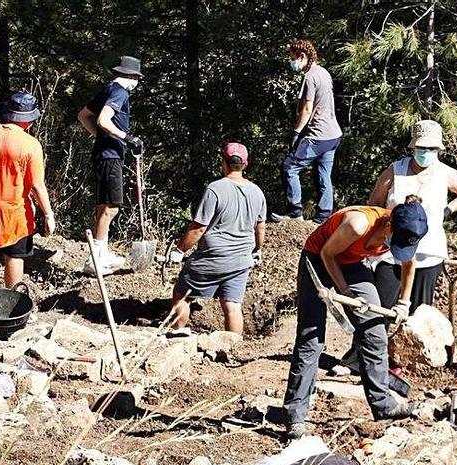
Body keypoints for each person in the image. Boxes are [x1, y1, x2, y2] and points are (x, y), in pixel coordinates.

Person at [283, 196, 429, 439]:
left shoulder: (406, 232)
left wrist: (404, 303)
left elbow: (408, 265)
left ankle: (384, 405)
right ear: (389, 225)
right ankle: (295, 416)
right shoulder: (358, 224)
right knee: (311, 338)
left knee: (375, 331)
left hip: (351, 263)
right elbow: (328, 253)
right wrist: (346, 291)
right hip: (318, 259)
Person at [368, 119, 457, 311]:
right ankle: (375, 341)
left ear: (438, 150)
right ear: (413, 147)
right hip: (392, 250)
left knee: (419, 313)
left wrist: (447, 210)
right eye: (421, 147)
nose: (425, 152)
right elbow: (375, 202)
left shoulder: (444, 173)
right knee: (381, 308)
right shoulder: (396, 170)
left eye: (431, 148)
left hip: (428, 252)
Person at [168, 143, 266, 334]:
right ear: (245, 164)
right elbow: (260, 226)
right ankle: (232, 348)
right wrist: (257, 250)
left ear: (224, 162)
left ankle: (175, 332)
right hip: (241, 260)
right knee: (232, 305)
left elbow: (198, 229)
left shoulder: (215, 189)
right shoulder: (257, 192)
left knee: (181, 294)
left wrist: (179, 251)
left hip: (212, 258)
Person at [0, 92, 55, 292]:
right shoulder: (31, 145)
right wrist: (48, 214)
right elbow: (37, 186)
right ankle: (12, 303)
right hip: (14, 214)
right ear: (30, 120)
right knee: (14, 257)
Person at [77, 55, 144, 275]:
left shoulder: (108, 88)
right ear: (132, 76)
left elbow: (83, 115)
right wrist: (126, 137)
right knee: (112, 206)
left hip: (103, 152)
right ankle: (95, 260)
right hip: (110, 156)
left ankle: (101, 254)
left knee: (103, 205)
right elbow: (102, 120)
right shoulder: (120, 91)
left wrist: (101, 137)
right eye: (136, 77)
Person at [271, 39, 342, 224]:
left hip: (317, 136)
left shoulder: (310, 77)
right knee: (323, 174)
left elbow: (307, 109)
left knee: (289, 167)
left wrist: (296, 133)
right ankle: (323, 216)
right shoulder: (324, 73)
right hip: (333, 135)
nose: (291, 62)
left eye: (293, 58)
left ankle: (295, 212)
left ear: (303, 56)